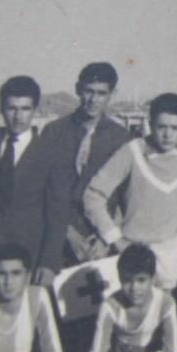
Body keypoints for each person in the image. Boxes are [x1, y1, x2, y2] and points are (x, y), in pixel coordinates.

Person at [82, 92, 177, 291]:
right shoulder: (132, 151)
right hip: (132, 254)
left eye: (175, 128)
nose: (167, 134)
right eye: (161, 127)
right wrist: (114, 239)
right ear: (150, 124)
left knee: (167, 318)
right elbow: (93, 196)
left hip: (172, 258)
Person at [0, 75, 68, 293]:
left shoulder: (51, 153)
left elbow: (58, 213)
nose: (18, 116)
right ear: (1, 109)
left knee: (24, 322)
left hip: (27, 255)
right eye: (11, 108)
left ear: (35, 111)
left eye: (25, 109)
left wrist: (49, 262)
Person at [37, 62, 131, 265]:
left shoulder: (122, 138)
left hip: (103, 246)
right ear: (78, 89)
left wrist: (107, 237)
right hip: (59, 241)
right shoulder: (53, 132)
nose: (93, 100)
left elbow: (126, 196)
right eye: (88, 91)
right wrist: (69, 235)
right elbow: (43, 190)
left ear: (112, 94)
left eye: (101, 93)